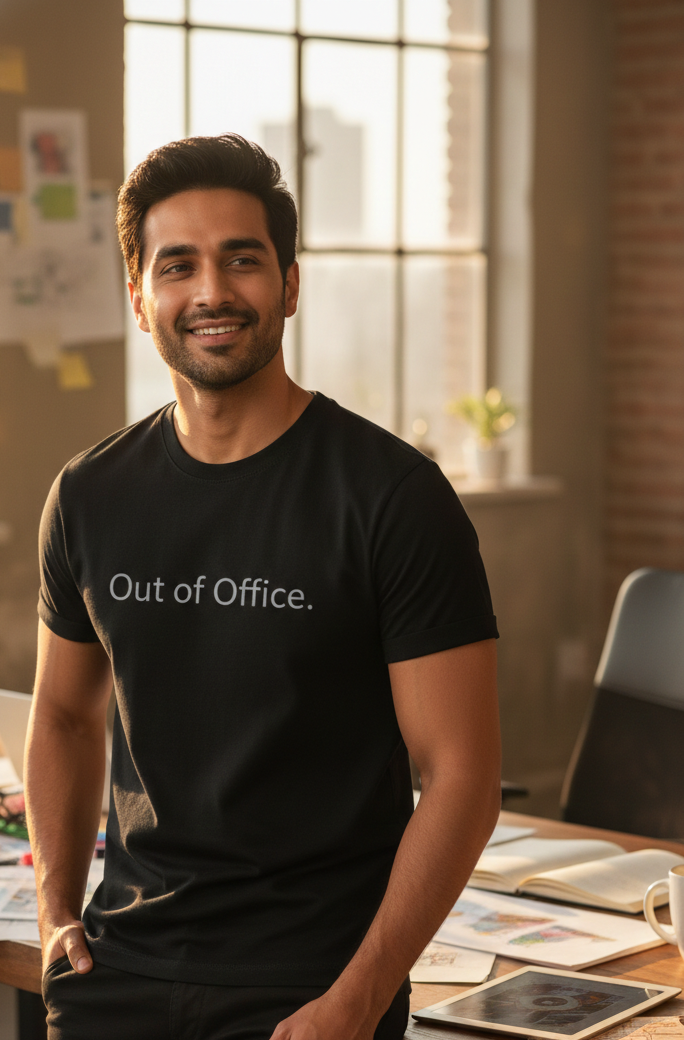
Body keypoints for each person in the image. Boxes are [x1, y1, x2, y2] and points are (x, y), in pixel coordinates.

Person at [27, 133, 501, 1040]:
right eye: (179, 266)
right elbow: (62, 716)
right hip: (118, 970)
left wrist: (358, 1000)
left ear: (289, 284)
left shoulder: (393, 498)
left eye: (241, 260)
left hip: (312, 985)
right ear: (139, 299)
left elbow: (462, 778)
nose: (211, 292)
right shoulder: (89, 494)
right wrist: (54, 905)